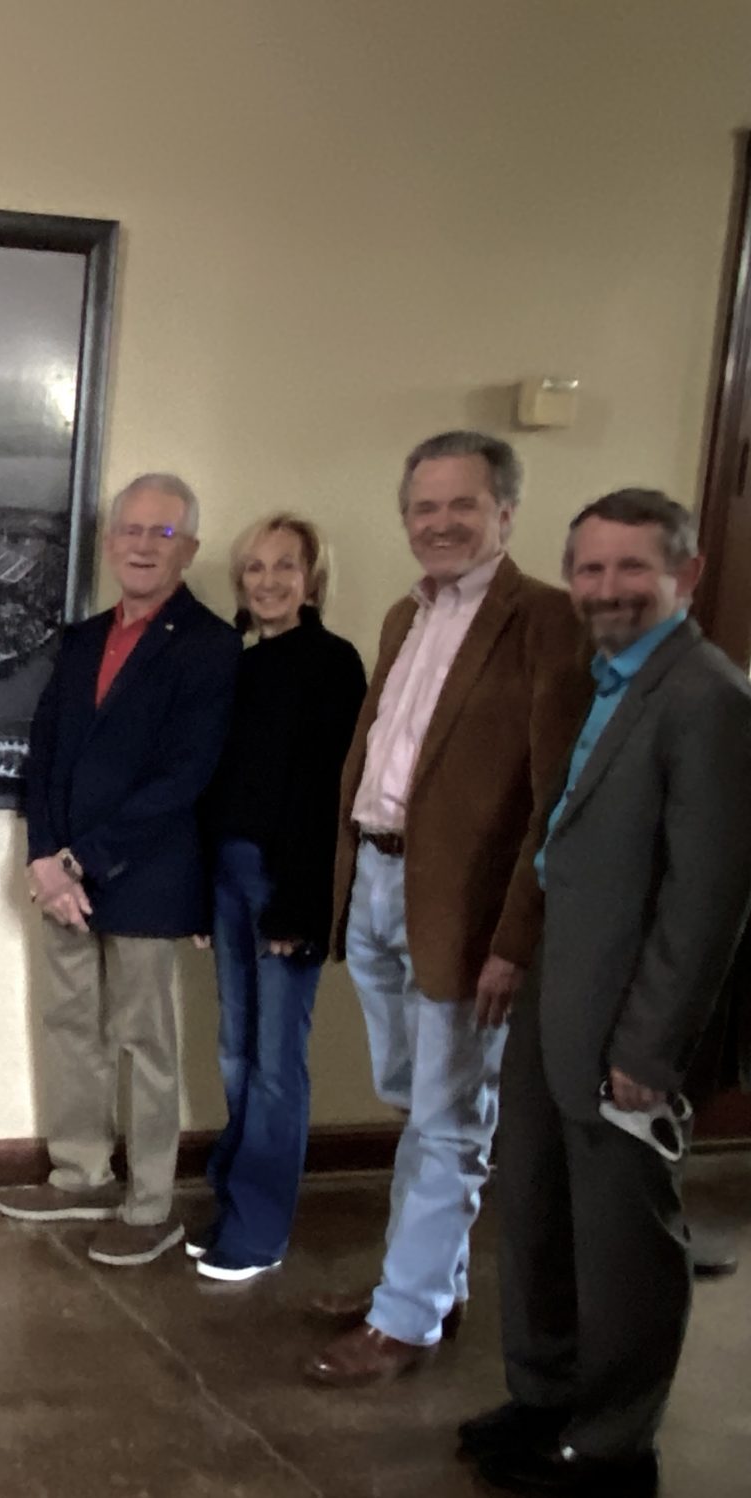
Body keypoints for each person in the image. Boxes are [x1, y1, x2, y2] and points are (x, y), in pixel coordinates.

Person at [463, 490, 751, 1496]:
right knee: (535, 1206)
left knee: (623, 1241)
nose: (605, 588)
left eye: (631, 568)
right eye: (588, 569)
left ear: (685, 575)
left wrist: (650, 1049)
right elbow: (565, 844)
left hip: (625, 1024)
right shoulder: (605, 681)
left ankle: (611, 1446)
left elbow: (705, 899)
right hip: (556, 996)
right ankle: (541, 1399)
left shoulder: (707, 696)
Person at [304, 431, 590, 1387]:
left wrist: (517, 937)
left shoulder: (547, 622)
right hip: (383, 888)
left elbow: (555, 801)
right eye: (423, 508)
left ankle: (407, 1316)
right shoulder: (404, 616)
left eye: (461, 505)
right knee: (416, 1098)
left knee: (448, 1118)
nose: (440, 524)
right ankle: (431, 1281)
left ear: (506, 513)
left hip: (464, 914)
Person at [0, 473, 241, 1266]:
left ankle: (150, 1203)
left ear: (189, 549)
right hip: (60, 878)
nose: (141, 545)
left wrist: (79, 858)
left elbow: (185, 775)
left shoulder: (208, 644)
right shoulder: (83, 639)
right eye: (130, 531)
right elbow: (47, 757)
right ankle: (80, 1175)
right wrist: (43, 856)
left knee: (144, 1042)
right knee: (69, 1025)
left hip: (145, 876)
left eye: (161, 534)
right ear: (110, 543)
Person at [191, 514, 366, 1283]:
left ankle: (260, 1231)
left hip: (284, 884)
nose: (268, 581)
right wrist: (201, 894)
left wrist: (304, 908)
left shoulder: (333, 665)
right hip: (226, 877)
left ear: (312, 578)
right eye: (255, 568)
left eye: (285, 567)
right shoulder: (236, 663)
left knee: (274, 1063)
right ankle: (235, 1197)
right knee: (235, 1048)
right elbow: (215, 787)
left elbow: (329, 795)